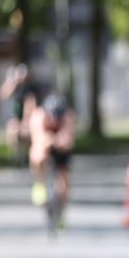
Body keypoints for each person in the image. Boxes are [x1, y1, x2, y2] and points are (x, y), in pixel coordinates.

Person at [28, 94, 75, 223]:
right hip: (44, 144)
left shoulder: (68, 116)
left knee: (64, 181)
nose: (54, 120)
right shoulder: (38, 115)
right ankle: (39, 183)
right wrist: (48, 140)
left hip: (61, 148)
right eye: (51, 117)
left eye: (57, 117)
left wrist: (60, 141)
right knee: (39, 155)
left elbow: (68, 140)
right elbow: (38, 138)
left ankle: (61, 212)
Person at [0, 63, 37, 163]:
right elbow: (3, 94)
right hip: (14, 115)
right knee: (13, 132)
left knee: (26, 133)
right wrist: (12, 81)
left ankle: (27, 155)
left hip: (26, 115)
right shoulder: (13, 85)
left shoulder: (29, 88)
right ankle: (15, 155)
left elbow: (30, 103)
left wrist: (26, 120)